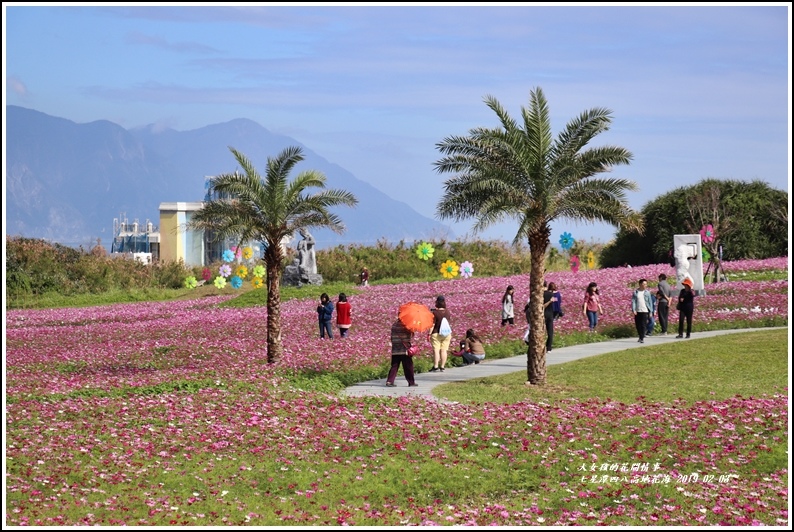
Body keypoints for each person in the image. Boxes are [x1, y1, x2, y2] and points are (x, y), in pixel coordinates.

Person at [386, 312, 418, 387]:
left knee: (394, 365)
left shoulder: (394, 325)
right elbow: (410, 336)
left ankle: (389, 381)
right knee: (408, 366)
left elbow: (392, 337)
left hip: (395, 348)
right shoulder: (407, 325)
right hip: (405, 349)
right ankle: (411, 382)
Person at [429, 295, 452, 372]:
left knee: (436, 350)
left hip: (436, 333)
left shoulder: (434, 312)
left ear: (437, 302)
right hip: (446, 334)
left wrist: (429, 334)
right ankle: (442, 366)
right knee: (444, 350)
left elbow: (432, 324)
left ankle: (435, 366)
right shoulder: (448, 312)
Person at [631, 278, 654, 343]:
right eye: (644, 284)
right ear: (640, 284)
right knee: (638, 325)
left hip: (645, 310)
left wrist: (651, 311)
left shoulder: (647, 292)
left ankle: (642, 337)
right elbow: (633, 301)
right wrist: (634, 309)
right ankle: (640, 335)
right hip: (638, 310)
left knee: (643, 324)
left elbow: (650, 302)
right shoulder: (636, 292)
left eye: (646, 284)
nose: (645, 285)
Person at [543, 282, 558, 352]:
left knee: (541, 332)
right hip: (550, 315)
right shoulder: (553, 295)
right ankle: (548, 347)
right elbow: (557, 306)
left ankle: (542, 347)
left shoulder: (541, 295)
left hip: (543, 315)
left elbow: (542, 306)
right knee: (550, 332)